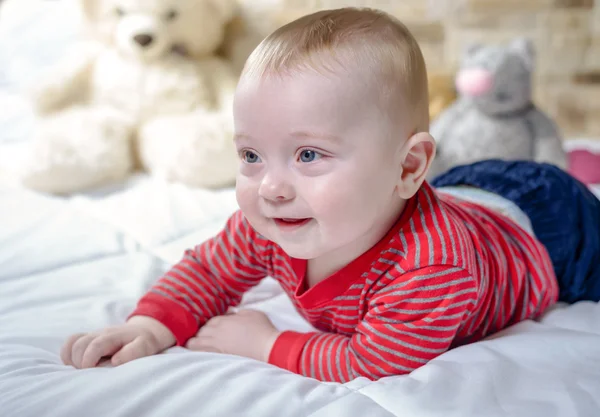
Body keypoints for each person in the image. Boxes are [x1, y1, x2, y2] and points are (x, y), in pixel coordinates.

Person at [60, 7, 600, 383]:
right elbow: (209, 271)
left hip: (545, 229)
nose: (270, 186)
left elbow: (374, 359)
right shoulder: (272, 219)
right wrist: (150, 326)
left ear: (409, 167)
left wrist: (266, 343)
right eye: (251, 155)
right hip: (464, 192)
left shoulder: (433, 264)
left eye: (309, 155)